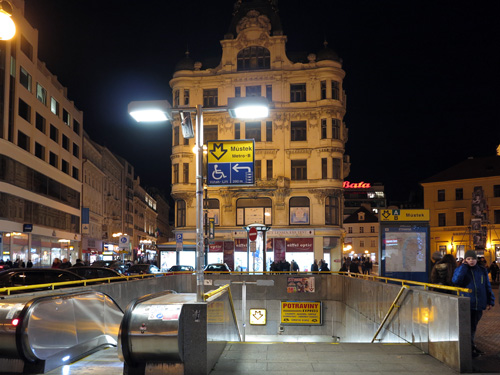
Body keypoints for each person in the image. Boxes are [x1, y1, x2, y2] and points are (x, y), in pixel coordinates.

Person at [452, 250, 495, 357]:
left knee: (473, 326)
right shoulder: (461, 269)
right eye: (469, 259)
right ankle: (469, 349)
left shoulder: (482, 270)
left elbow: (487, 286)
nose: (471, 261)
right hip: (466, 303)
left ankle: (471, 346)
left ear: (477, 259)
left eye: (473, 259)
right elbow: (456, 281)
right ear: (465, 260)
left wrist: (490, 300)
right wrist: (464, 267)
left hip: (479, 303)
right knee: (467, 327)